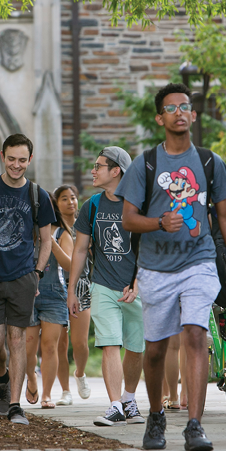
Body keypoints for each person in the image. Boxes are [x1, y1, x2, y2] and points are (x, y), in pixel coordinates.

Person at [117, 83, 226, 451]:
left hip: (198, 261)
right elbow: (128, 219)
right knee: (155, 350)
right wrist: (159, 222)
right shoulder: (146, 163)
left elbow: (225, 217)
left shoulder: (209, 162)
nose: (179, 112)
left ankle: (194, 425)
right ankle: (156, 416)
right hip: (155, 268)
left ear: (193, 114)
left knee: (194, 334)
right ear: (160, 118)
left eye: (185, 106)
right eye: (171, 108)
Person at [0, 133, 55, 426]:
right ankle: (2, 377)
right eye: (11, 159)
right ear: (3, 155)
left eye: (22, 160)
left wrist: (37, 273)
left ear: (30, 159)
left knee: (17, 339)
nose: (16, 165)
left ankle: (15, 405)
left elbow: (46, 239)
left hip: (22, 278)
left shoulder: (38, 195)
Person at [68, 146, 146, 427]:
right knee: (110, 344)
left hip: (135, 288)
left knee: (136, 347)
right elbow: (80, 250)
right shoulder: (92, 206)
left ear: (116, 171)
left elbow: (148, 248)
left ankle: (129, 399)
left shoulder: (138, 205)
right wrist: (73, 289)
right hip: (102, 285)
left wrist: (137, 282)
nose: (93, 170)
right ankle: (114, 406)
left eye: (99, 166)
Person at [25, 194, 72, 408]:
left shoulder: (62, 234)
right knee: (27, 347)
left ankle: (46, 394)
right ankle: (32, 377)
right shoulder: (25, 231)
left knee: (50, 347)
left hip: (54, 294)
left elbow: (70, 265)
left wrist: (50, 242)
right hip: (27, 293)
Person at [54, 184, 91, 406]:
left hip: (82, 288)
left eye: (73, 197)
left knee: (80, 343)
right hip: (57, 287)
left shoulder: (85, 226)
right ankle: (65, 391)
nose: (71, 202)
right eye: (64, 198)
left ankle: (80, 373)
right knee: (60, 343)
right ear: (56, 204)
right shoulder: (54, 230)